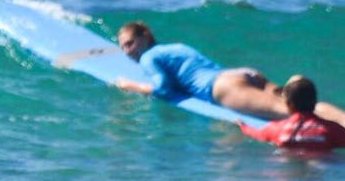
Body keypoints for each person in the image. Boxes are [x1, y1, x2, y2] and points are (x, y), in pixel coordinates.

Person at [114, 21, 345, 126]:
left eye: (130, 44)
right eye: (123, 46)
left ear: (145, 36)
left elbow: (164, 88)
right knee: (303, 104)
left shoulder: (148, 57)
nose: (127, 51)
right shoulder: (174, 47)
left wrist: (130, 86)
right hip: (243, 74)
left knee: (292, 112)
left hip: (221, 87)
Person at [239, 76, 345, 152]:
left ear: (289, 105)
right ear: (314, 101)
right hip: (324, 169)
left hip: (289, 173)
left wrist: (242, 125)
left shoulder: (277, 129)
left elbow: (256, 134)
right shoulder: (331, 129)